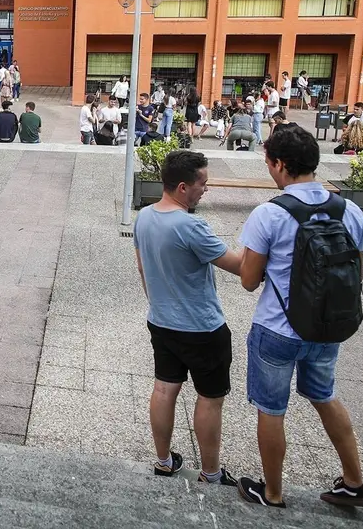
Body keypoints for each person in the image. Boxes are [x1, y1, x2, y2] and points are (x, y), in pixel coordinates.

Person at [236, 125, 363, 509]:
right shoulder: (351, 211)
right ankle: (355, 481)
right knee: (325, 396)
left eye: (269, 162)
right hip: (328, 326)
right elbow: (357, 272)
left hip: (277, 330)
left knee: (271, 409)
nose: (269, 169)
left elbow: (248, 281)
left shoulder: (269, 214)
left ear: (280, 164)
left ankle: (273, 492)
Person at [134, 151, 242, 487]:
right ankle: (210, 473)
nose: (205, 189)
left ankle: (164, 461)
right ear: (183, 187)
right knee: (209, 398)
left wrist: (160, 304)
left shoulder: (144, 217)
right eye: (202, 183)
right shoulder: (191, 226)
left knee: (164, 388)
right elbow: (238, 266)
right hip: (202, 328)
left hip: (161, 321)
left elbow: (142, 268)